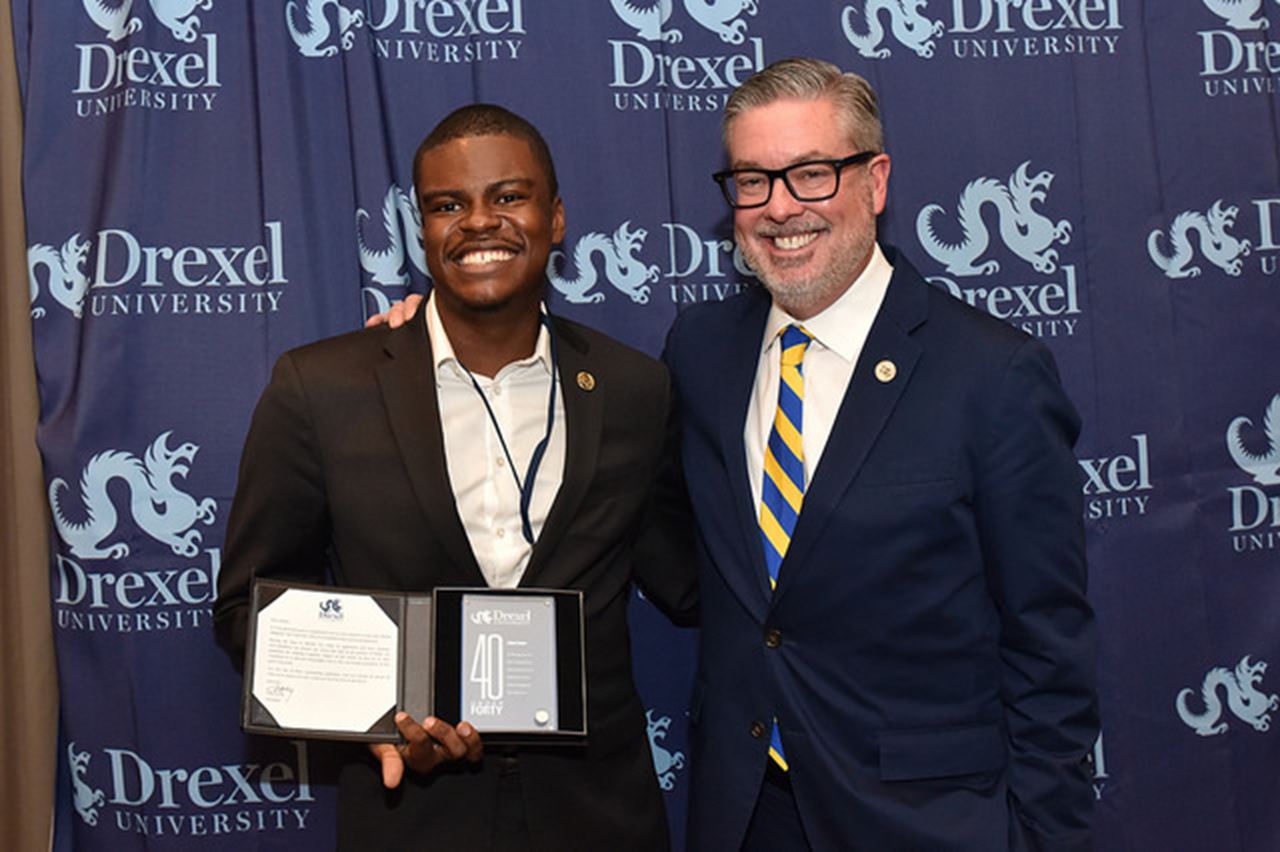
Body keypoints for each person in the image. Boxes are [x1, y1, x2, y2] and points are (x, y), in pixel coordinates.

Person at [374, 58, 1098, 851]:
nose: (780, 207)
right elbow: (663, 546)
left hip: (927, 818)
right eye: (752, 181)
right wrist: (434, 336)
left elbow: (1048, 650)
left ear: (876, 181)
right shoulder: (702, 351)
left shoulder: (992, 374)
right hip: (746, 811)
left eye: (812, 174)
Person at [213, 104, 695, 851]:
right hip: (413, 819)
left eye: (508, 197)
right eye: (448, 205)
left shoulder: (636, 390)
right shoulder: (324, 389)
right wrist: (380, 724)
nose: (479, 223)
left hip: (601, 815)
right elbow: (252, 600)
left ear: (556, 217)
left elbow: (688, 577)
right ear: (423, 229)